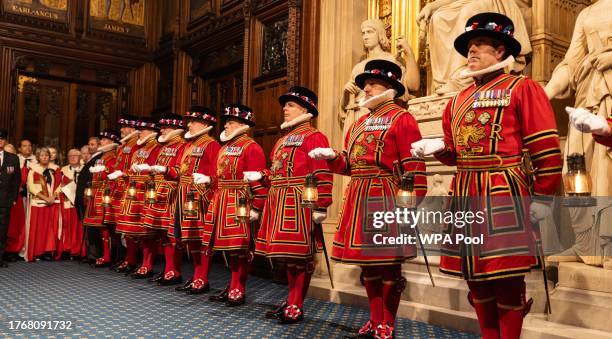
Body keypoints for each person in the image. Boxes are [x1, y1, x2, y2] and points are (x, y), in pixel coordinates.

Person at [411, 13, 562, 339]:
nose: (472, 52)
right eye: (469, 47)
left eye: (480, 45)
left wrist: (544, 197)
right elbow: (455, 153)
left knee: (506, 277)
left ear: (500, 50)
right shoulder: (458, 100)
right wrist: (436, 146)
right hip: (466, 190)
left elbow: (546, 148)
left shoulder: (523, 87)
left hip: (504, 190)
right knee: (475, 278)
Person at [310, 59, 428, 338]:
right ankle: (375, 320)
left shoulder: (403, 118)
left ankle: (388, 322)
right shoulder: (359, 123)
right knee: (369, 266)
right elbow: (350, 165)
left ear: (389, 86)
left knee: (388, 265)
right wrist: (334, 158)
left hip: (387, 197)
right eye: (364, 85)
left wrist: (409, 205)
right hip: (359, 196)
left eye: (373, 84)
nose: (366, 89)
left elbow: (413, 167)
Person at [252, 86, 333, 323]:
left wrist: (322, 204)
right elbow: (277, 171)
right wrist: (261, 175)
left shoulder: (314, 136)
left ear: (305, 108)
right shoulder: (282, 139)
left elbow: (323, 172)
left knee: (300, 257)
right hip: (279, 200)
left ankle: (296, 304)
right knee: (287, 257)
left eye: (291, 105)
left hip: (300, 201)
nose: (284, 109)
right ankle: (290, 300)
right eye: (285, 105)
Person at [203, 104, 268, 306]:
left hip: (240, 201)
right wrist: (208, 183)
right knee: (226, 249)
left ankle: (239, 287)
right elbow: (218, 175)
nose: (226, 127)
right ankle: (232, 284)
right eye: (226, 123)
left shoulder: (252, 147)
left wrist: (257, 205)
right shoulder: (225, 148)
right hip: (221, 200)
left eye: (230, 123)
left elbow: (257, 178)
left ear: (242, 124)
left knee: (240, 248)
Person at [171, 106, 220, 294]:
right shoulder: (188, 145)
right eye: (188, 121)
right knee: (189, 239)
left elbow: (216, 172)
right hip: (183, 193)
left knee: (200, 238)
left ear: (205, 124)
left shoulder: (211, 145)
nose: (188, 125)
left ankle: (202, 277)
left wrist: (207, 188)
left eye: (193, 121)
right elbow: (179, 169)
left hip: (199, 196)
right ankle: (195, 275)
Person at [140, 113, 187, 285]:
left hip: (172, 192)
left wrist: (166, 170)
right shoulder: (161, 146)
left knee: (172, 233)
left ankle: (174, 271)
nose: (162, 130)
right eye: (162, 127)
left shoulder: (183, 146)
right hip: (158, 191)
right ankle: (167, 269)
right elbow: (154, 167)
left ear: (175, 129)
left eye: (166, 127)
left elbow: (181, 169)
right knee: (161, 233)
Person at [114, 117, 161, 278]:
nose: (139, 132)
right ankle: (131, 259)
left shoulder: (156, 146)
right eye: (139, 129)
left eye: (143, 129)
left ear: (152, 131)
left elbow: (156, 169)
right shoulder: (139, 146)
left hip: (146, 191)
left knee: (146, 231)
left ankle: (147, 264)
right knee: (131, 229)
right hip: (134, 190)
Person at [105, 115, 140, 273]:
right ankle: (124, 258)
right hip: (118, 188)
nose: (121, 130)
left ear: (132, 128)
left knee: (128, 227)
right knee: (119, 226)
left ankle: (131, 259)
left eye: (124, 127)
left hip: (127, 187)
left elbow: (133, 167)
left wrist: (122, 174)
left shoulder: (136, 145)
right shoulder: (123, 145)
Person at [82, 130, 119, 267]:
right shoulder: (101, 157)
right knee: (99, 228)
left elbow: (113, 176)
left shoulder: (113, 156)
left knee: (107, 228)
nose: (101, 142)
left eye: (104, 140)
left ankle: (109, 256)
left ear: (110, 142)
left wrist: (105, 172)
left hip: (105, 194)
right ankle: (104, 254)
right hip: (96, 193)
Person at [24, 147, 61, 262]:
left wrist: (53, 197)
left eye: (46, 155)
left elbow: (59, 185)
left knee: (49, 229)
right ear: (38, 157)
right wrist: (45, 198)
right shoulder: (33, 170)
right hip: (38, 203)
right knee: (38, 229)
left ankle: (47, 251)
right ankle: (37, 252)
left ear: (49, 157)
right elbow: (31, 187)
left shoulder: (55, 169)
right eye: (42, 155)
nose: (44, 157)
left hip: (51, 202)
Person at [56, 149, 84, 260]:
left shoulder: (84, 169)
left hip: (80, 204)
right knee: (67, 228)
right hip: (67, 203)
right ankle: (66, 250)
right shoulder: (63, 170)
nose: (73, 157)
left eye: (75, 155)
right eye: (70, 156)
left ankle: (78, 251)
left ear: (80, 157)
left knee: (79, 229)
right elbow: (58, 185)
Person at [0, 130, 21, 267]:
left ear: (5, 141)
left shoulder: (13, 158)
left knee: (2, 230)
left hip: (5, 200)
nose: (0, 141)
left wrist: (13, 198)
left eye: (2, 139)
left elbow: (16, 180)